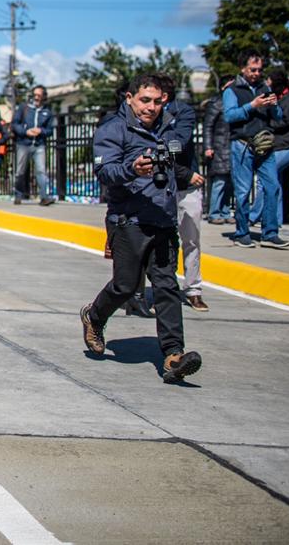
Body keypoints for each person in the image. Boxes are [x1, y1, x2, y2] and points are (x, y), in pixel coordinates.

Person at [80, 73, 202, 384]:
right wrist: (132, 169)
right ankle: (94, 317)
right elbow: (105, 172)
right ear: (130, 99)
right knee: (125, 285)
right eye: (144, 100)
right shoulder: (114, 129)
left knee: (166, 287)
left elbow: (179, 151)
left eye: (157, 101)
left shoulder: (169, 129)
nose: (150, 107)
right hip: (127, 220)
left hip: (162, 219)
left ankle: (173, 355)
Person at [223, 52, 288, 249]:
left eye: (259, 70)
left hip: (264, 144)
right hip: (242, 144)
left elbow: (278, 116)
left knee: (273, 186)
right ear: (243, 68)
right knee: (243, 192)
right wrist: (252, 105)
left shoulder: (264, 88)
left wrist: (274, 105)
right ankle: (242, 232)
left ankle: (270, 233)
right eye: (253, 69)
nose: (256, 73)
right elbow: (229, 116)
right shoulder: (232, 90)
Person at [160, 77, 208, 312]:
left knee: (191, 238)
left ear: (164, 96)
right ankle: (163, 289)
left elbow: (179, 141)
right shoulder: (143, 116)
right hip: (161, 185)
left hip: (186, 185)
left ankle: (193, 290)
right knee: (160, 240)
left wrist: (185, 173)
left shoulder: (183, 112)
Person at [248, 68, 289, 229]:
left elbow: (284, 121)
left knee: (265, 179)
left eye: (269, 82)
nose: (267, 85)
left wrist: (266, 124)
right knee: (274, 182)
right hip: (276, 147)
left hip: (285, 146)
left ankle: (253, 216)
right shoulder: (277, 99)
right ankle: (275, 220)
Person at [11, 85, 56, 205]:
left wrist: (41, 131)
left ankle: (44, 197)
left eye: (39, 95)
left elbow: (50, 130)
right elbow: (14, 124)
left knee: (41, 170)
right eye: (34, 95)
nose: (36, 97)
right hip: (23, 143)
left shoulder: (47, 111)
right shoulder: (24, 108)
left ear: (44, 97)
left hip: (39, 144)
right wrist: (26, 131)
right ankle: (18, 195)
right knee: (20, 171)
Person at [202, 81, 234, 225]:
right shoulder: (216, 103)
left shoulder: (236, 103)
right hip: (219, 147)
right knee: (219, 182)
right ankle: (214, 213)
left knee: (229, 183)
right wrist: (208, 147)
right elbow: (208, 126)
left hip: (232, 146)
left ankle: (225, 211)